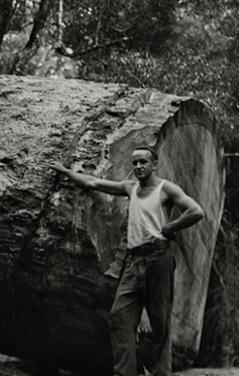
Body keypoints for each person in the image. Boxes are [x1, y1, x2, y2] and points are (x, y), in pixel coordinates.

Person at [49, 146, 205, 376]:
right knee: (120, 316)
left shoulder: (165, 188)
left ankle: (160, 372)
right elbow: (93, 183)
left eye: (143, 162)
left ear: (155, 164)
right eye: (135, 163)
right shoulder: (131, 188)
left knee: (160, 321)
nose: (138, 167)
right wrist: (66, 172)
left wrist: (170, 226)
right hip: (133, 261)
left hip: (158, 257)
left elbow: (196, 211)